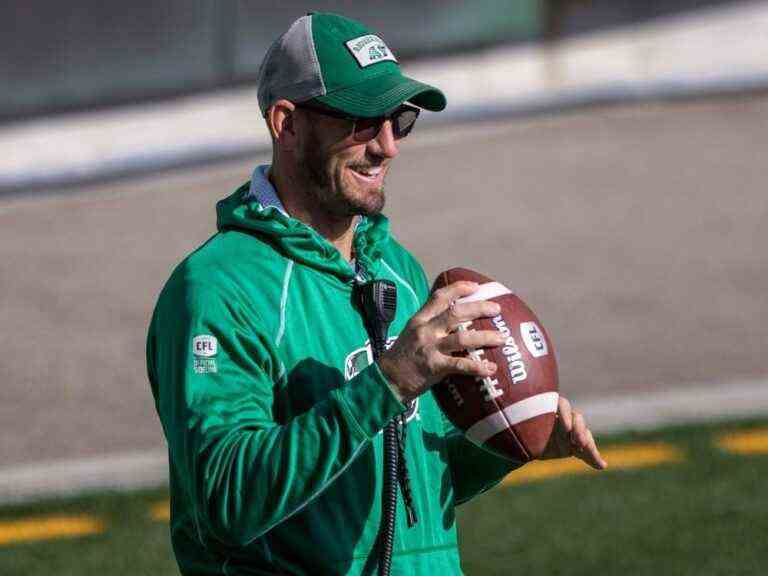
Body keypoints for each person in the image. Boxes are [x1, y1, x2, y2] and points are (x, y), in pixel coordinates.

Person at [146, 12, 606, 576]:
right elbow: (227, 501)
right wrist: (389, 382)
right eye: (363, 121)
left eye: (399, 119)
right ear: (286, 124)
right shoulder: (218, 289)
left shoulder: (400, 272)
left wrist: (507, 439)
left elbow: (411, 475)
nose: (388, 146)